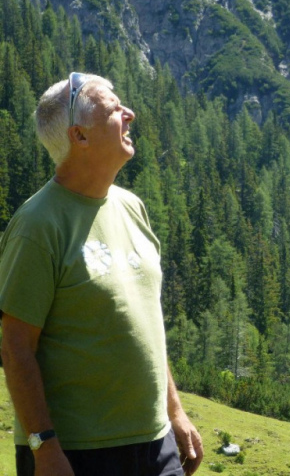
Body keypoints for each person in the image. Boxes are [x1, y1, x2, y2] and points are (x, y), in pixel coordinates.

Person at [0, 72, 204, 476]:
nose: (130, 114)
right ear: (79, 136)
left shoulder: (131, 206)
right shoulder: (37, 225)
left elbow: (144, 324)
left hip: (155, 444)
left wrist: (175, 412)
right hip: (77, 453)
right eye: (114, 109)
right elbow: (15, 347)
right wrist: (44, 448)